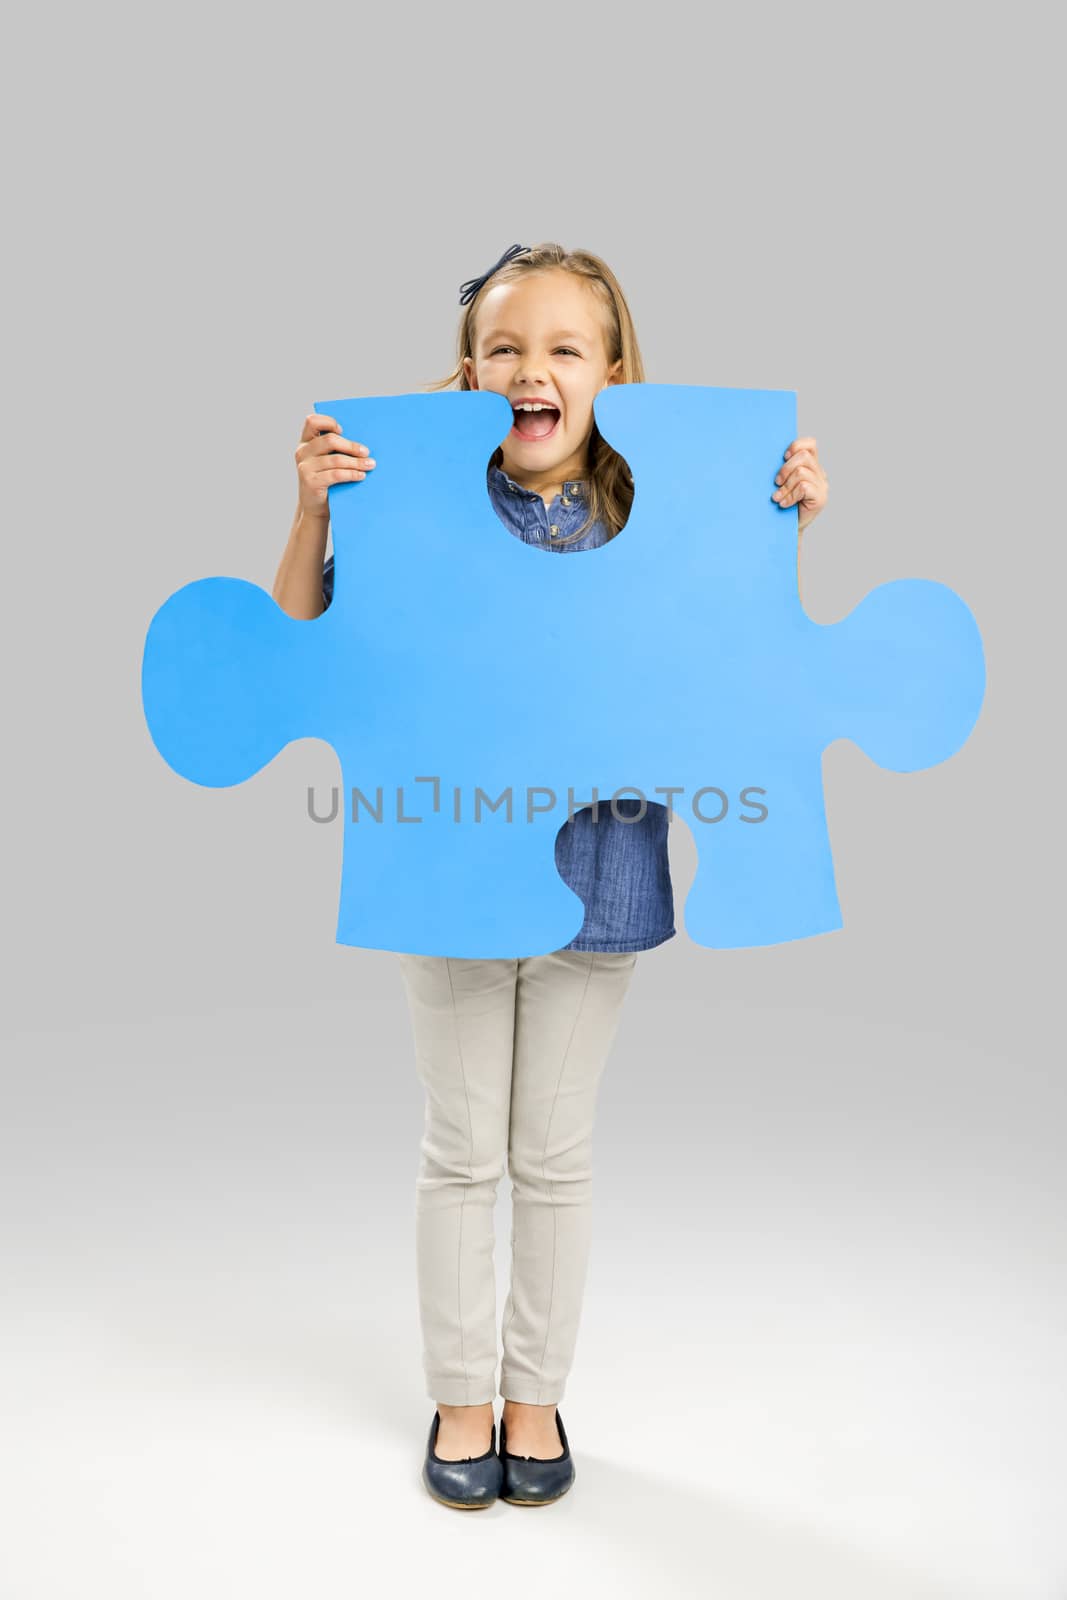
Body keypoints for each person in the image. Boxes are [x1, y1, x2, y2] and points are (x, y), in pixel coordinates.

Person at [271, 242, 828, 1510]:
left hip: (603, 870)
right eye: (506, 347)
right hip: (449, 865)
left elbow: (727, 658)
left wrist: (773, 521)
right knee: (464, 1147)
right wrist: (313, 507)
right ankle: (461, 1395)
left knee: (553, 1151)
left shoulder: (652, 511)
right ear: (469, 371)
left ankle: (536, 1394)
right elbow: (301, 643)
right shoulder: (413, 503)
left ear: (613, 374)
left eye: (563, 349)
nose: (531, 370)